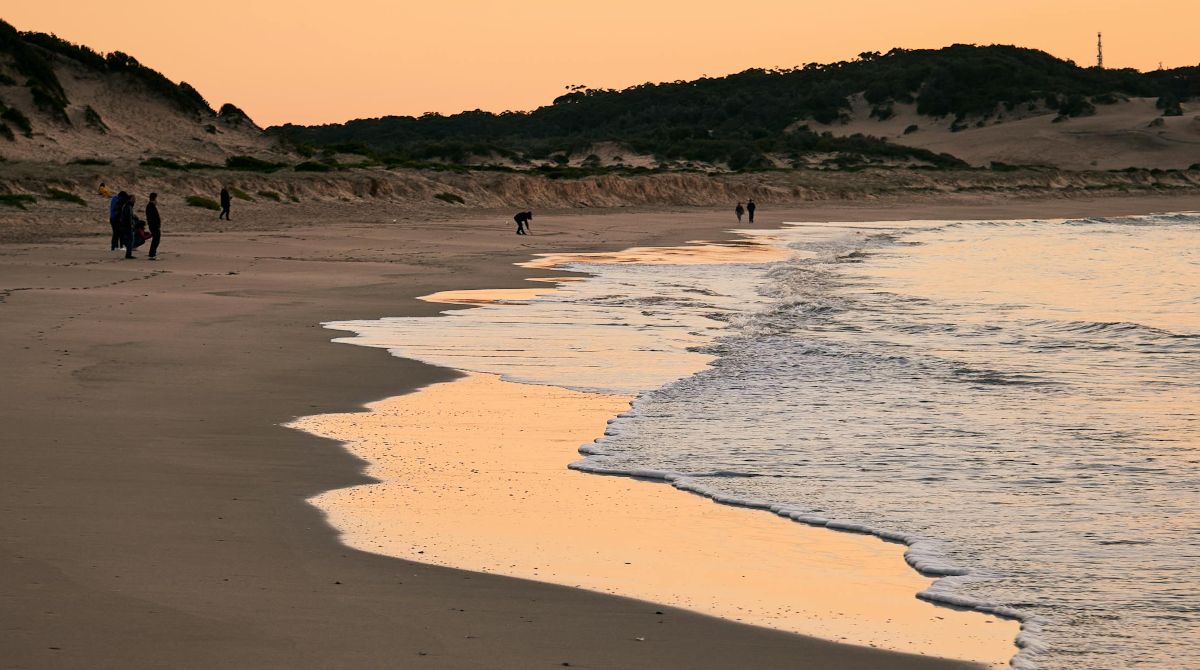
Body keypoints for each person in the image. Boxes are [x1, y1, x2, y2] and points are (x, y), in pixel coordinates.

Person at [119, 193, 137, 259]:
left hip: (126, 226)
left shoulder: (128, 206)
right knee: (130, 240)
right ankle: (128, 254)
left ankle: (128, 253)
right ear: (130, 199)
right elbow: (128, 217)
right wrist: (131, 226)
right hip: (127, 226)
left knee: (130, 240)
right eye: (133, 199)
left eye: (135, 199)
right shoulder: (128, 206)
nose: (135, 200)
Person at [146, 192, 162, 260]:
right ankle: (152, 254)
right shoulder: (150, 206)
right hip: (154, 226)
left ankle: (152, 253)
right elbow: (153, 217)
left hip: (154, 226)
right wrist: (156, 225)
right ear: (154, 199)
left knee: (156, 239)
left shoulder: (151, 206)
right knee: (156, 240)